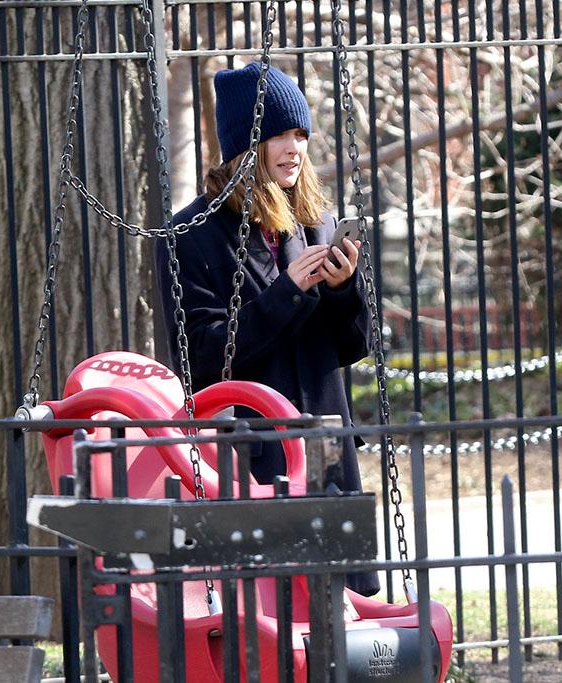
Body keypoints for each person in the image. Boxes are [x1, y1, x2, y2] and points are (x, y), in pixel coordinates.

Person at [155, 62, 379, 596]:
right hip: (254, 451)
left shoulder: (316, 225)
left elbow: (353, 346)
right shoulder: (193, 235)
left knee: (343, 609)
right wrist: (287, 294)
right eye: (277, 134)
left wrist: (345, 288)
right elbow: (205, 358)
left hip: (326, 443)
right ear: (243, 146)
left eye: (300, 134)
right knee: (272, 614)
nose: (294, 148)